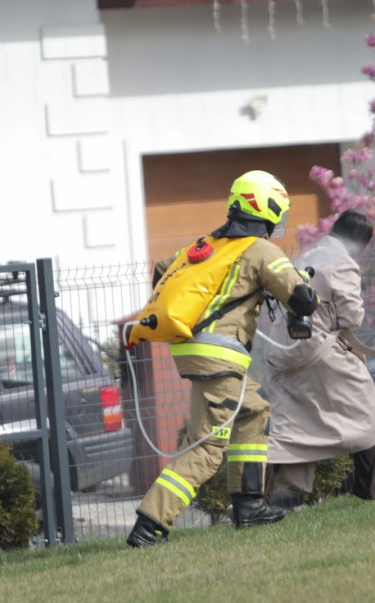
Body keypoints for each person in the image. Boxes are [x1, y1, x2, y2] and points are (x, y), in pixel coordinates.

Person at [126, 170, 320, 548]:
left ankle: (249, 506)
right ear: (267, 207)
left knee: (254, 410)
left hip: (194, 346)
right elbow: (302, 300)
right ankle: (150, 525)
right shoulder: (261, 249)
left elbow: (163, 269)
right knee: (207, 447)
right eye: (279, 211)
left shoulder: (208, 244)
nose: (279, 220)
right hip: (220, 353)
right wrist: (300, 278)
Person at [261, 209, 375, 505]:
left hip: (281, 354)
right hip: (316, 352)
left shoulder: (308, 255)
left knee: (285, 427)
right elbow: (351, 317)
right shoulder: (343, 262)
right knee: (368, 409)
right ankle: (373, 488)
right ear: (361, 242)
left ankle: (252, 498)